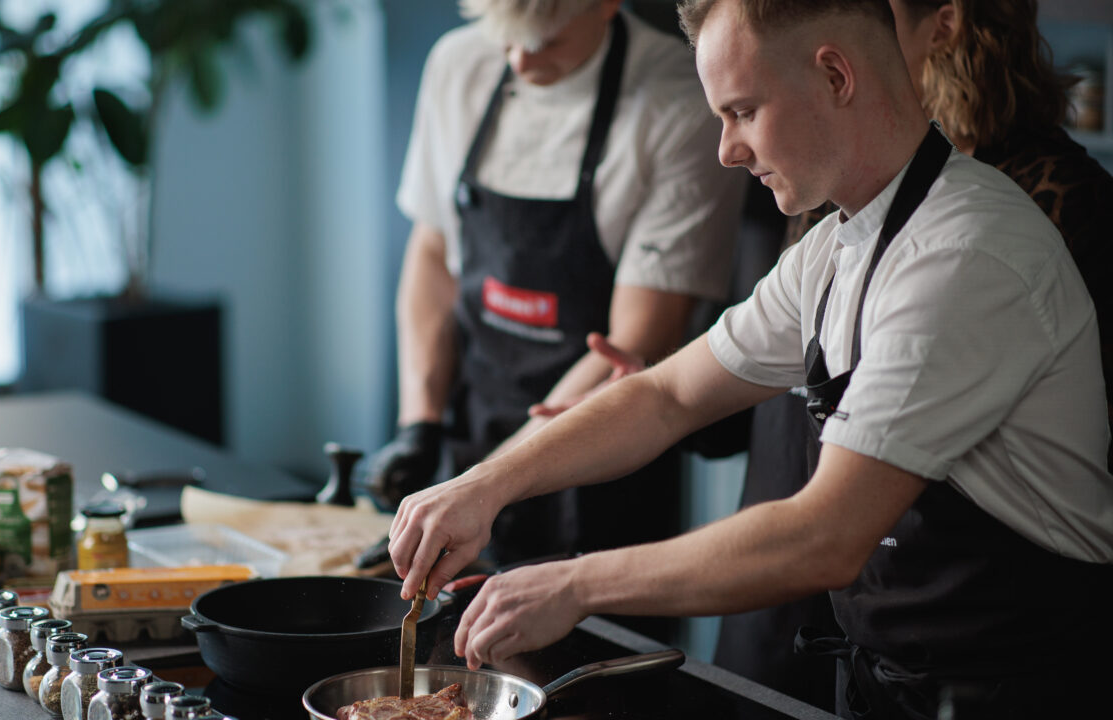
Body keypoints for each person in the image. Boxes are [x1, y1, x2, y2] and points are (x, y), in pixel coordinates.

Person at [387, 1, 1113, 718]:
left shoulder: (962, 256)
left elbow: (826, 536)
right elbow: (668, 396)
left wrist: (574, 585)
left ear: (835, 75)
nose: (726, 151)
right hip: (893, 685)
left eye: (742, 111)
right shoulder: (836, 247)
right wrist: (483, 486)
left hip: (1011, 693)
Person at [713, 0, 1113, 708]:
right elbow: (722, 375)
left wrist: (577, 584)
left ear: (947, 22)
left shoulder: (1018, 216)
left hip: (967, 633)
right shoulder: (835, 180)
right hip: (820, 581)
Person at [369, 0, 746, 566]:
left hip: (601, 461)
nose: (519, 62)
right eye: (504, 38)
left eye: (545, 41)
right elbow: (433, 251)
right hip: (474, 423)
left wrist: (485, 485)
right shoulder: (457, 64)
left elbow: (636, 340)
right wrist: (419, 424)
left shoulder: (677, 100)